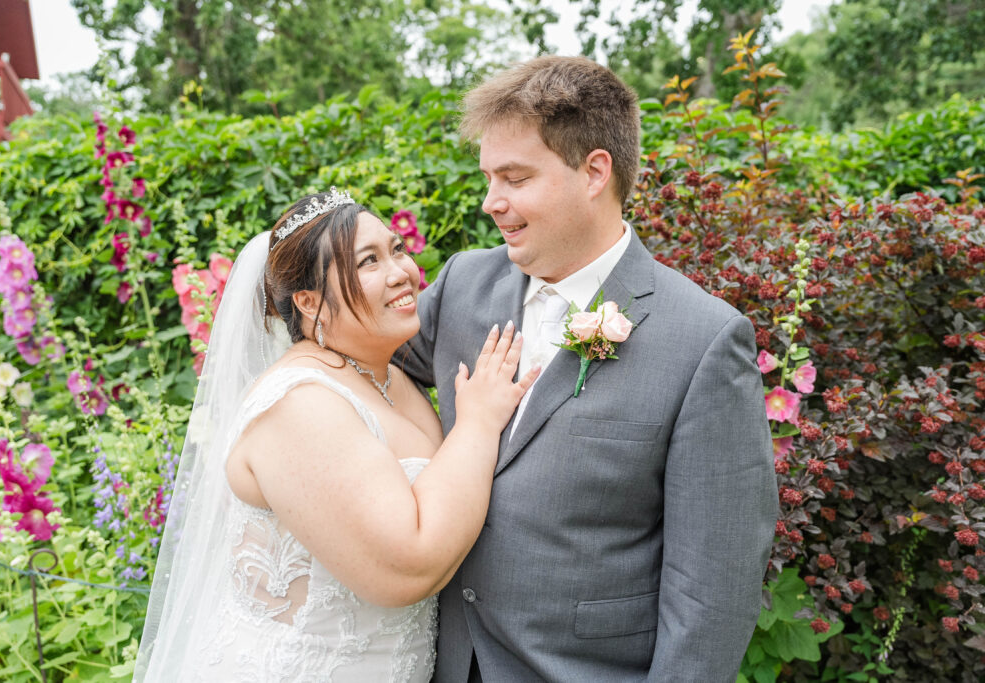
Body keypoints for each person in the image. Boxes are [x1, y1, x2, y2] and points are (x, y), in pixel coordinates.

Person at [397, 56, 778, 681]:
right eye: (489, 178)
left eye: (515, 178)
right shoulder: (463, 285)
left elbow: (713, 591)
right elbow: (366, 366)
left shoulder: (704, 341)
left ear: (594, 171)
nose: (492, 202)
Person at [134, 190, 540, 682]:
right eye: (369, 262)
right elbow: (407, 566)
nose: (401, 273)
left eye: (397, 250)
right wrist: (477, 422)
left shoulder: (388, 375)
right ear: (309, 302)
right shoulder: (299, 405)